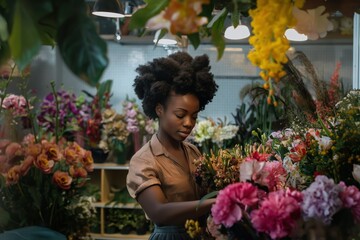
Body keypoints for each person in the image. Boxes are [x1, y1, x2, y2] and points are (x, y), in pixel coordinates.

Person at [126, 51, 219, 239]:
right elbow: (158, 212)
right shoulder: (144, 160)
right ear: (159, 109)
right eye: (180, 115)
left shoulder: (193, 152)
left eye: (194, 116)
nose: (188, 123)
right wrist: (217, 203)